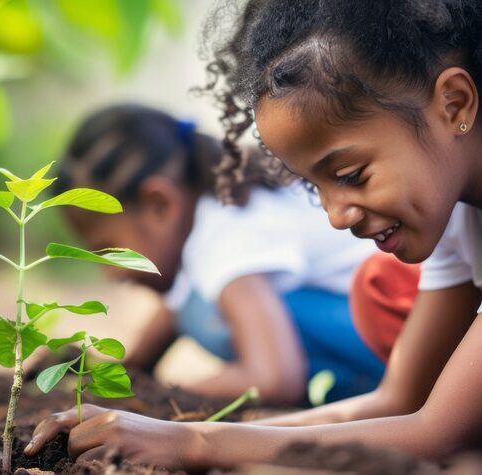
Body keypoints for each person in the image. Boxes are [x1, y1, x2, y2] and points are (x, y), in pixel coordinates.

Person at [25, 0, 482, 467]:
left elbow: (435, 431)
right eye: (313, 186)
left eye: (351, 174)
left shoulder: (226, 237)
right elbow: (398, 402)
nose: (335, 217)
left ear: (454, 104)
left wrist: (193, 442)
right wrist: (179, 431)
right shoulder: (455, 223)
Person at [46, 104, 382, 406]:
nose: (111, 273)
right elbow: (172, 309)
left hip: (397, 340)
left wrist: (159, 397)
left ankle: (370, 398)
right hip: (379, 327)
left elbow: (275, 379)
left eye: (106, 250)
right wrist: (114, 372)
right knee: (195, 302)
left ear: (160, 204)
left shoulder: (224, 235)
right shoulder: (211, 219)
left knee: (205, 313)